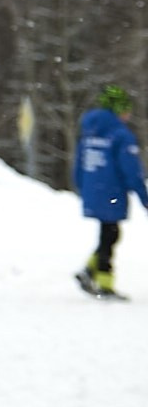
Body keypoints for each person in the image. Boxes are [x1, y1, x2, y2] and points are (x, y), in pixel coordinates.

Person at [73, 85, 143, 298]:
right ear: (118, 109)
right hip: (111, 191)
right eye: (126, 110)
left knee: (108, 234)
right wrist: (144, 196)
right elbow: (131, 171)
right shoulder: (121, 136)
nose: (128, 115)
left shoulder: (89, 131)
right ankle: (104, 284)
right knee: (110, 235)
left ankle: (88, 271)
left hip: (94, 190)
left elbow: (78, 164)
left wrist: (82, 187)